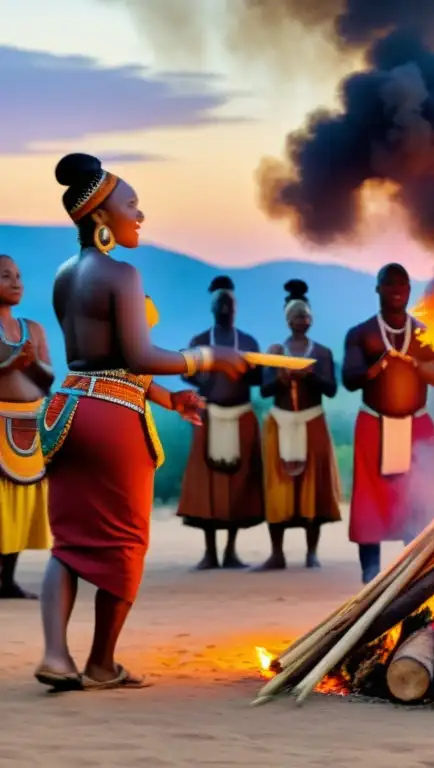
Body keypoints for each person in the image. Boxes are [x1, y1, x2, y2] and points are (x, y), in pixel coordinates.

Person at [37, 153, 246, 692]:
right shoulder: (123, 274)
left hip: (69, 412)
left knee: (70, 544)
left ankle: (56, 657)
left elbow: (98, 360)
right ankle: (102, 664)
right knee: (125, 541)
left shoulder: (65, 274)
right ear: (101, 216)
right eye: (131, 205)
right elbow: (136, 352)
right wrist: (205, 360)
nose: (140, 215)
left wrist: (168, 398)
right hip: (111, 423)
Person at [342, 263, 434, 584]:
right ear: (378, 289)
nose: (397, 290)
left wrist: (413, 363)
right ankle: (370, 579)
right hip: (375, 426)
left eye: (403, 284)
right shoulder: (361, 333)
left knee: (420, 500)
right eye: (389, 285)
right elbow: (349, 379)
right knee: (369, 503)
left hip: (417, 429)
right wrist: (379, 365)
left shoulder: (426, 334)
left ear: (409, 290)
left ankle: (412, 576)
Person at [177, 275, 265, 570]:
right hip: (210, 417)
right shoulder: (200, 342)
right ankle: (210, 552)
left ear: (237, 307)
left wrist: (252, 366)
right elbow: (186, 373)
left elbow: (261, 380)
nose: (226, 307)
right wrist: (204, 371)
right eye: (220, 303)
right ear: (212, 307)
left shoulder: (248, 342)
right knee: (209, 487)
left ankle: (230, 551)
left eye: (230, 302)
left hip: (241, 417)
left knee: (238, 486)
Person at [258, 279, 343, 570]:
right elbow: (264, 390)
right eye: (295, 317)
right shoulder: (275, 351)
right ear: (288, 320)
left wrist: (310, 375)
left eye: (304, 316)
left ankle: (311, 553)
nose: (300, 321)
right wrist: (280, 376)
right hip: (280, 423)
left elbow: (331, 389)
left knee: (312, 488)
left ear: (311, 319)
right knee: (277, 487)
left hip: (312, 422)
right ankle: (277, 552)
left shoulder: (321, 353)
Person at [0, 254, 54, 599]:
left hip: (29, 423)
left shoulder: (33, 329)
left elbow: (49, 378)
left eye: (18, 275)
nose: (16, 282)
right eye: (6, 276)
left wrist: (31, 362)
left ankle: (8, 579)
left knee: (20, 504)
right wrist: (8, 363)